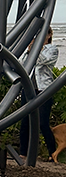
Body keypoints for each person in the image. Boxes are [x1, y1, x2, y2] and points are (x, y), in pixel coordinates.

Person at [19, 26, 58, 163]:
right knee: (25, 121)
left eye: (43, 34)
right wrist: (29, 51)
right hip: (28, 88)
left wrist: (36, 49)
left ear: (49, 35)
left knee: (42, 123)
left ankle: (53, 153)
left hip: (44, 89)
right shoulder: (30, 50)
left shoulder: (52, 49)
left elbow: (43, 61)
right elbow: (22, 65)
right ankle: (23, 153)